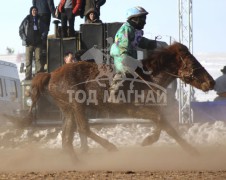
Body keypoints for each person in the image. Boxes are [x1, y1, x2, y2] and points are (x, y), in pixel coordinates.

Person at [108, 6, 157, 102]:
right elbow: (123, 45)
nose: (145, 22)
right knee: (124, 72)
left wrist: (151, 44)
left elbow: (140, 41)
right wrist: (126, 57)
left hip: (131, 56)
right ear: (134, 19)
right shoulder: (126, 29)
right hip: (121, 56)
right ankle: (113, 95)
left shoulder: (136, 31)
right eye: (143, 19)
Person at [19, 6, 48, 80]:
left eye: (35, 10)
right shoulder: (27, 19)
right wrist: (24, 39)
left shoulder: (40, 19)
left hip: (38, 44)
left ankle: (38, 76)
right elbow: (21, 29)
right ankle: (28, 76)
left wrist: (42, 37)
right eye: (33, 10)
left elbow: (45, 29)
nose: (34, 11)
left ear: (37, 11)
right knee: (28, 61)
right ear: (31, 11)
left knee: (38, 59)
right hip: (29, 44)